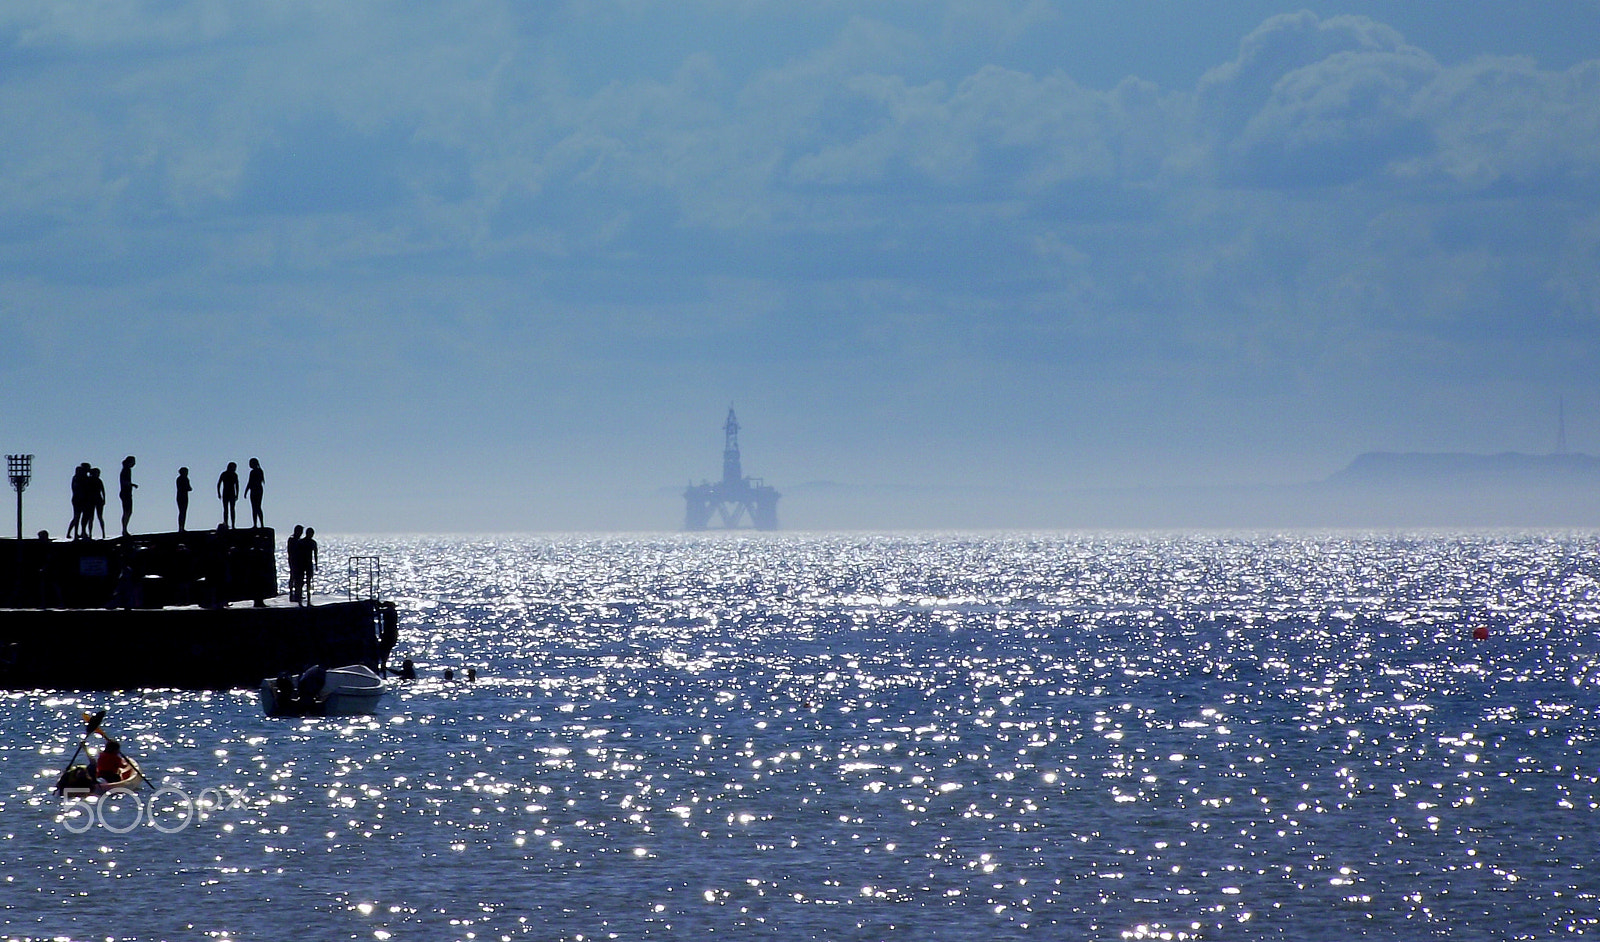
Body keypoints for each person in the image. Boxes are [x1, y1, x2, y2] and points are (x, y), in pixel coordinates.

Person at [66, 464, 89, 539]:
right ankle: (75, 533)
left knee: (80, 517)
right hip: (78, 499)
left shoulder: (81, 478)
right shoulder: (78, 478)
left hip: (81, 499)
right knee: (77, 517)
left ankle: (80, 532)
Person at [118, 457, 137, 537]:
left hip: (126, 493)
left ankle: (125, 529)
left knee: (128, 511)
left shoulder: (126, 470)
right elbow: (125, 481)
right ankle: (124, 530)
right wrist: (131, 484)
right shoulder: (126, 470)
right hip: (125, 493)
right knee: (127, 511)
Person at [217, 462, 239, 529]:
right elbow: (219, 484)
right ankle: (226, 523)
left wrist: (237, 494)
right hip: (226, 493)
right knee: (226, 509)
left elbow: (237, 485)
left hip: (231, 493)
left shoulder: (234, 475)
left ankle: (232, 524)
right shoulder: (224, 474)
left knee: (231, 509)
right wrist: (219, 493)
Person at [245, 458, 265, 529]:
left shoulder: (257, 471)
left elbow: (250, 482)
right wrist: (246, 491)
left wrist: (246, 491)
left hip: (257, 490)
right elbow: (250, 482)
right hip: (254, 490)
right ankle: (256, 524)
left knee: (257, 507)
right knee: (254, 508)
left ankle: (261, 524)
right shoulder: (254, 472)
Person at [286, 525, 305, 603]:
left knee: (299, 579)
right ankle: (292, 594)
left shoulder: (298, 540)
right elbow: (291, 550)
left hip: (299, 561)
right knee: (293, 578)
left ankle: (298, 594)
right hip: (294, 561)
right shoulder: (292, 539)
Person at [301, 527, 318, 603]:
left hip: (309, 563)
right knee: (301, 581)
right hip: (302, 563)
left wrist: (316, 564)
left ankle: (308, 598)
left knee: (308, 581)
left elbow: (315, 554)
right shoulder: (301, 542)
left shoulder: (313, 542)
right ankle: (299, 597)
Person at [176, 467, 193, 531]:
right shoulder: (185, 479)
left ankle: (181, 527)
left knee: (182, 512)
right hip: (183, 496)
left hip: (180, 496)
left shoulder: (178, 479)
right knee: (183, 512)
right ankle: (181, 527)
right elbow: (188, 488)